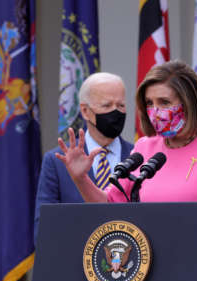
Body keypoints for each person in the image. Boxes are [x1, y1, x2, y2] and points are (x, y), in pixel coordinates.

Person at [56, 61, 197, 223]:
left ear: (189, 103)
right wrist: (81, 178)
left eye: (164, 102)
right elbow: (109, 207)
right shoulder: (144, 147)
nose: (156, 111)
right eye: (149, 103)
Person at [34, 72, 134, 243]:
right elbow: (44, 229)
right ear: (85, 111)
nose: (115, 112)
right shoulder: (56, 161)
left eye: (121, 105)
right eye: (107, 105)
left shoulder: (138, 157)